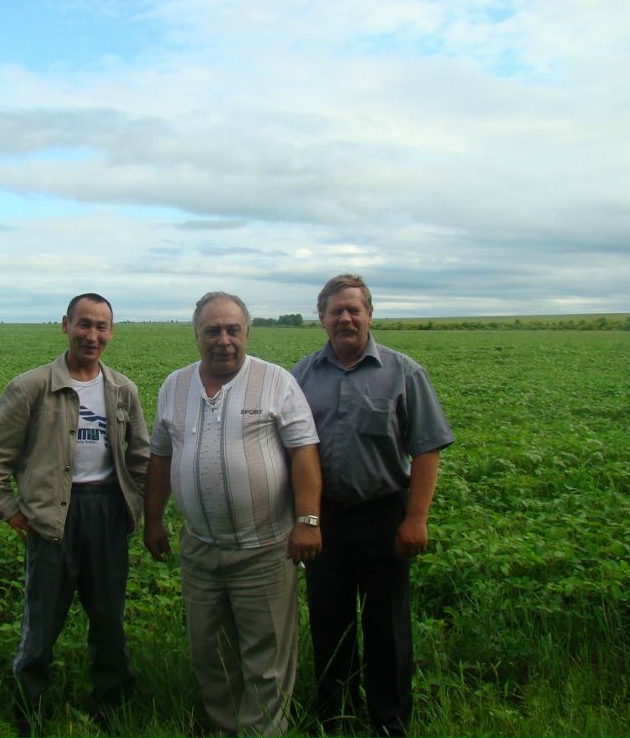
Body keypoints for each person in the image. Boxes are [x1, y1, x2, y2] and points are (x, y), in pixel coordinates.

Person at [144, 291, 323, 737]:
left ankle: (261, 732)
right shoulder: (175, 385)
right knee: (211, 654)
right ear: (196, 335)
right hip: (201, 548)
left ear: (247, 333)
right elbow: (161, 458)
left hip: (264, 548)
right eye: (212, 331)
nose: (223, 340)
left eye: (232, 330)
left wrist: (307, 521)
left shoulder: (275, 381)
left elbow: (304, 453)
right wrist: (153, 519)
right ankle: (226, 728)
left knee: (266, 657)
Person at [0, 293, 149, 734]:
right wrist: (12, 512)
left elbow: (141, 456)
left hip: (105, 512)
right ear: (65, 325)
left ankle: (112, 704)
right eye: (84, 324)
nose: (93, 335)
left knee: (108, 617)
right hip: (52, 516)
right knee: (42, 618)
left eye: (102, 327)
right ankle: (28, 707)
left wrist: (135, 503)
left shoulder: (122, 389)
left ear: (111, 331)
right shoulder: (30, 387)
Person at [291, 274, 454, 738]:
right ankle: (335, 716)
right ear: (321, 318)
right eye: (335, 311)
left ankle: (389, 722)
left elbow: (426, 448)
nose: (345, 318)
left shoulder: (404, 372)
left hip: (384, 515)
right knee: (329, 622)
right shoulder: (301, 375)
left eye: (354, 309)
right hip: (324, 519)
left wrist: (416, 518)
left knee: (387, 627)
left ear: (369, 315)